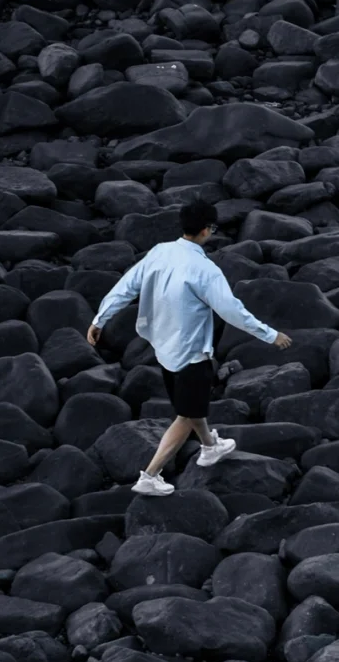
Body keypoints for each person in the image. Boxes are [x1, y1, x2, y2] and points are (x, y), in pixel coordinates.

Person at [86, 199, 291, 496]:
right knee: (185, 416)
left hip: (164, 349)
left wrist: (100, 319)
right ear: (207, 230)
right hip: (192, 355)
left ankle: (209, 446)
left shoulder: (160, 252)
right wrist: (270, 335)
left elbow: (126, 286)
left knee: (192, 407)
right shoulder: (205, 270)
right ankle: (150, 475)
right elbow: (232, 311)